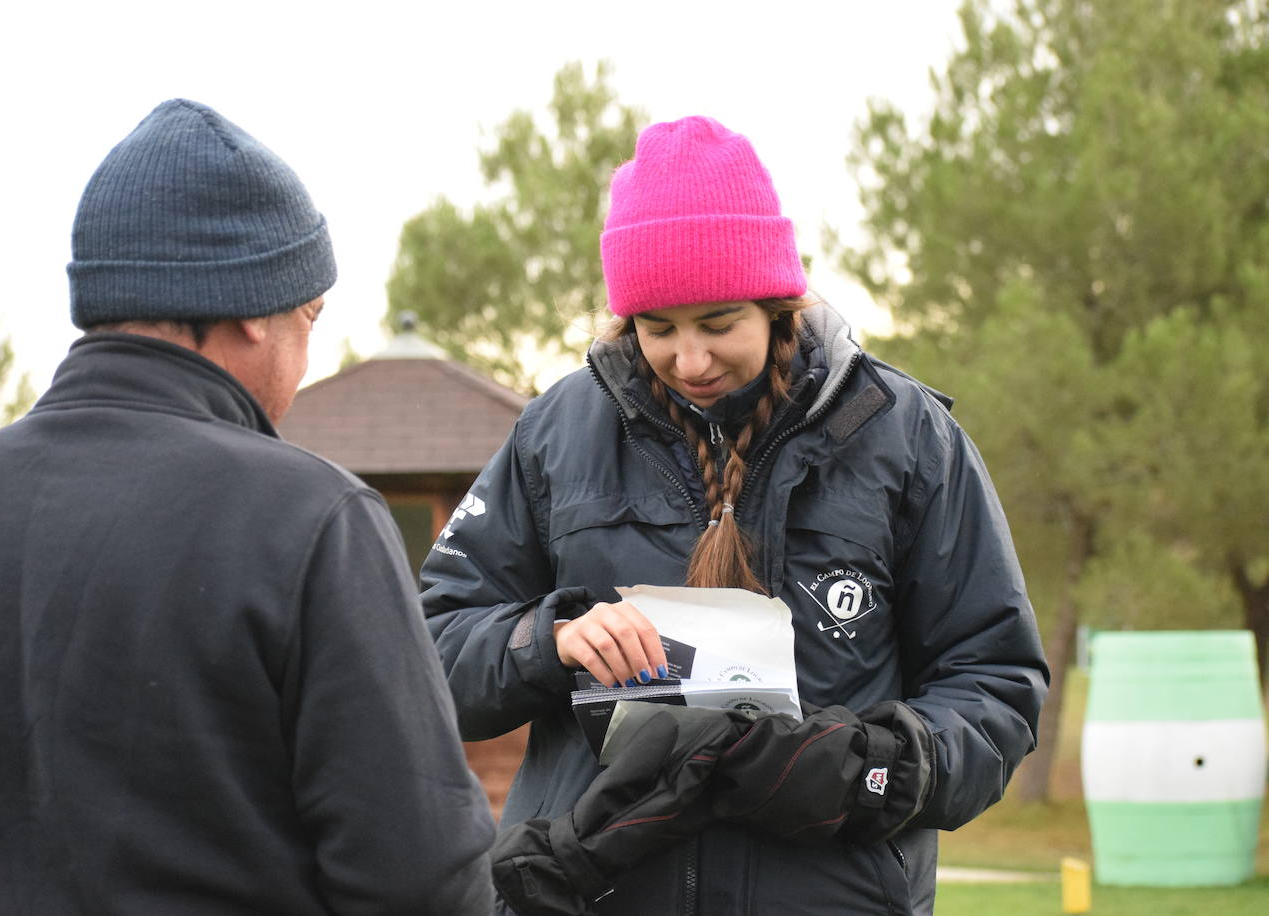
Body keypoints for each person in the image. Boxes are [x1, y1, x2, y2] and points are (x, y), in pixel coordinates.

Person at [422, 115, 1048, 914]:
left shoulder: (909, 438)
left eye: (719, 324)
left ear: (776, 302)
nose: (691, 361)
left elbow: (996, 680)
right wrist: (551, 639)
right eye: (658, 329)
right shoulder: (553, 436)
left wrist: (875, 766)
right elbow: (428, 651)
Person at [0, 99, 495, 915]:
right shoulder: (311, 517)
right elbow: (420, 877)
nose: (305, 354)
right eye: (309, 317)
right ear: (253, 308)